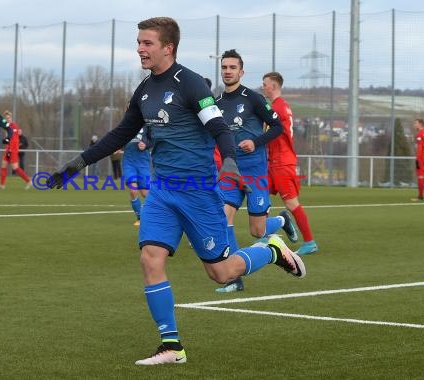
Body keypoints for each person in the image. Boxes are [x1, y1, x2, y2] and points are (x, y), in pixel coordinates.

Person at [47, 17, 306, 365]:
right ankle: (172, 345)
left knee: (221, 271)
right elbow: (120, 134)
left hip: (198, 192)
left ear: (167, 47)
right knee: (149, 258)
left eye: (147, 43)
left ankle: (272, 251)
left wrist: (228, 160)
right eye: (138, 42)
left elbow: (219, 127)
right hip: (163, 191)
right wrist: (77, 163)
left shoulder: (191, 84)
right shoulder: (143, 90)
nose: (140, 48)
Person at [214, 49, 299, 293]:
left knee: (257, 231)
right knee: (224, 218)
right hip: (231, 171)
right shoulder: (216, 104)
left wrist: (256, 142)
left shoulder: (252, 98)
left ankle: (282, 219)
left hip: (255, 171)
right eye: (224, 67)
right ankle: (234, 278)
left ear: (241, 72)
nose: (227, 71)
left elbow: (277, 127)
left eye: (232, 68)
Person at [262, 72, 318, 255]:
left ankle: (309, 242)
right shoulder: (281, 106)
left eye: (265, 84)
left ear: (274, 86)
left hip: (282, 163)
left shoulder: (277, 108)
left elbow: (270, 132)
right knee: (260, 197)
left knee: (292, 204)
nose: (263, 87)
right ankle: (267, 233)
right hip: (274, 162)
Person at [122, 127, 151, 226]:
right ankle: (140, 218)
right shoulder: (126, 126)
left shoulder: (148, 125)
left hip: (143, 163)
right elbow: (118, 140)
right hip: (129, 163)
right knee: (133, 190)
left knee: (145, 194)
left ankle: (155, 215)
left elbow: (154, 140)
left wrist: (146, 144)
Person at [0, 111, 31, 190]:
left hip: (13, 150)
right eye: (6, 118)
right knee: (3, 165)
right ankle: (2, 185)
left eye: (9, 118)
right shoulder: (7, 125)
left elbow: (15, 139)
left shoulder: (14, 126)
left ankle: (29, 181)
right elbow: (2, 122)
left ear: (11, 118)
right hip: (9, 149)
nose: (8, 119)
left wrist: (12, 149)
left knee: (15, 167)